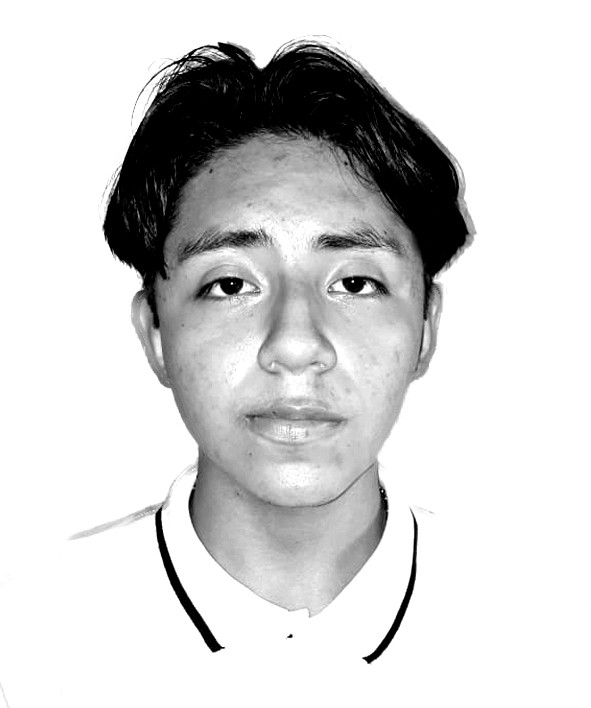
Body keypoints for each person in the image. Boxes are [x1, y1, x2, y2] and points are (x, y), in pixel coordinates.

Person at [0, 39, 471, 706]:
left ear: (425, 327)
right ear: (154, 332)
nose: (296, 344)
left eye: (355, 283)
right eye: (229, 285)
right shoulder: (22, 641)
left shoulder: (556, 634)